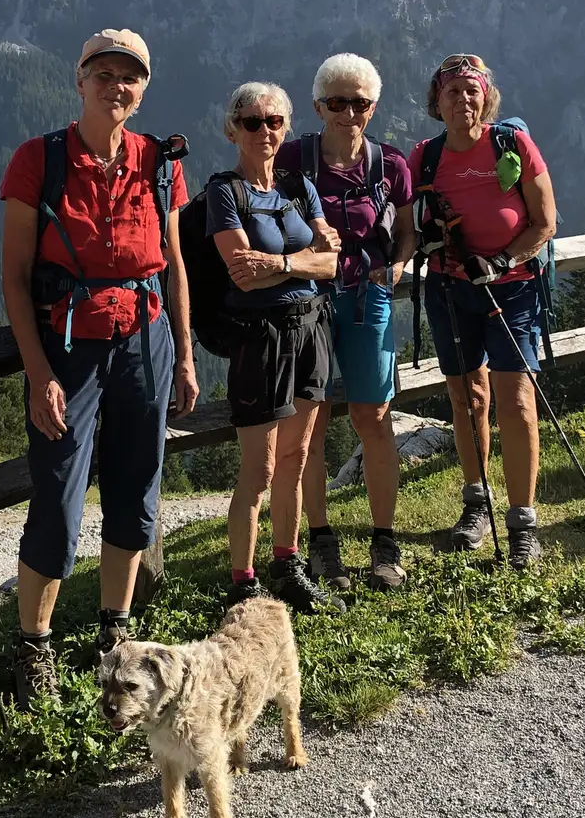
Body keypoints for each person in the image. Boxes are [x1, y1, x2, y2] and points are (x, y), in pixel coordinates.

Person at [0, 29, 200, 708]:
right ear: (79, 81)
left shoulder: (159, 162)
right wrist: (38, 373)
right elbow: (15, 276)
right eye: (104, 74)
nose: (118, 87)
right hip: (68, 345)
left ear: (143, 91)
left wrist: (185, 353)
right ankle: (34, 647)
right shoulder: (39, 161)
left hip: (146, 340)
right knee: (57, 496)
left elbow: (173, 265)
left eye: (131, 77)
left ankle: (115, 636)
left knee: (136, 489)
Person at [409, 53, 557, 569]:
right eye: (452, 91)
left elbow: (545, 223)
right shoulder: (423, 158)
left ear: (485, 97)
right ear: (437, 102)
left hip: (510, 289)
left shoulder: (511, 144)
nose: (463, 99)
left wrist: (500, 260)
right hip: (450, 291)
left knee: (516, 402)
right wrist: (423, 242)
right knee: (468, 399)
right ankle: (476, 503)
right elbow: (408, 226)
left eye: (472, 90)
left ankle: (521, 522)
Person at [277, 54, 418, 592]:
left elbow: (406, 230)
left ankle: (385, 541)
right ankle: (321, 541)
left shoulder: (390, 166)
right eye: (337, 102)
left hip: (366, 298)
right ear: (318, 106)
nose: (348, 112)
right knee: (308, 423)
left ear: (373, 107)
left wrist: (399, 264)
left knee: (373, 416)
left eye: (359, 103)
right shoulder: (292, 158)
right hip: (304, 302)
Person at [208, 81, 343, 611]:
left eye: (274, 121)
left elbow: (331, 263)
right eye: (252, 122)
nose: (264, 131)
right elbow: (241, 274)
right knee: (259, 469)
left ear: (286, 127)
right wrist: (305, 256)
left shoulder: (299, 185)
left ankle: (285, 564)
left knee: (298, 454)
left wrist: (281, 265)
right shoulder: (225, 191)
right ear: (233, 129)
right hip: (259, 340)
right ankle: (242, 582)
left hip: (311, 328)